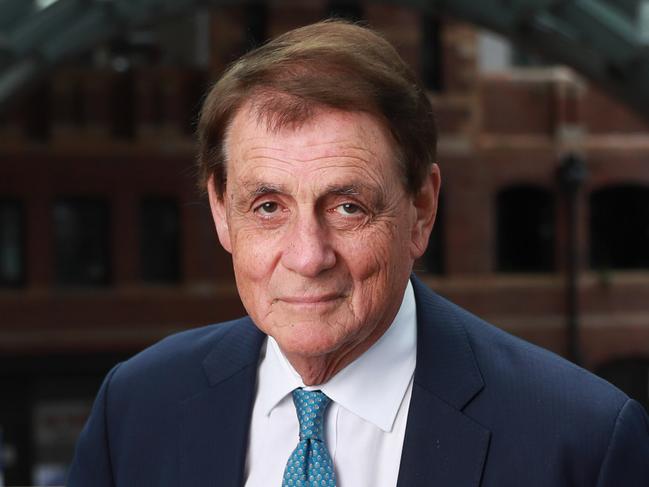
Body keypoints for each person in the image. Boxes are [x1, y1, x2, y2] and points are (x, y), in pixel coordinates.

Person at [68, 20, 649, 486]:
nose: (307, 256)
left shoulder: (582, 442)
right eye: (268, 206)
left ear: (421, 208)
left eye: (348, 207)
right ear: (221, 212)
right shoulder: (137, 407)